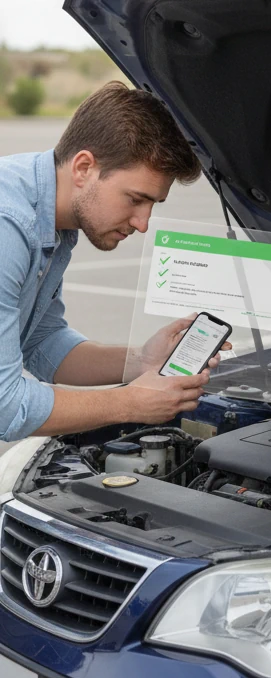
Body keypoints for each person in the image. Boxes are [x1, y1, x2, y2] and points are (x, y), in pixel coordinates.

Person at [0, 82, 228, 443]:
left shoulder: (53, 219)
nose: (143, 223)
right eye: (135, 199)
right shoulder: (8, 225)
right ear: (84, 168)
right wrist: (129, 404)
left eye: (153, 205)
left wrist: (141, 361)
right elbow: (5, 408)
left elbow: (43, 343)